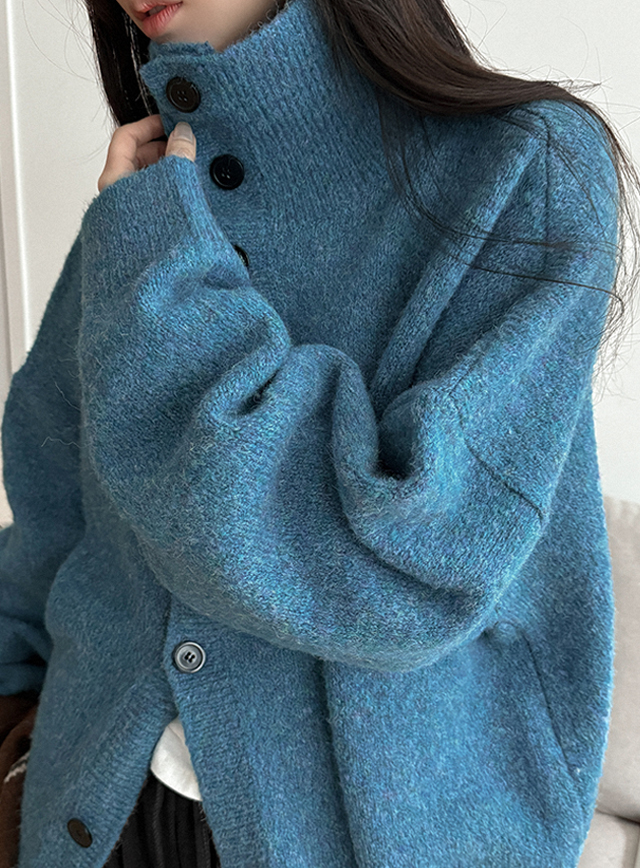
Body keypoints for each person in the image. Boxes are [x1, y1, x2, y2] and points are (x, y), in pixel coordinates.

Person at [0, 0, 638, 864]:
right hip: (92, 813)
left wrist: (164, 274)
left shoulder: (523, 167)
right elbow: (53, 508)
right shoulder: (145, 205)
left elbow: (405, 573)